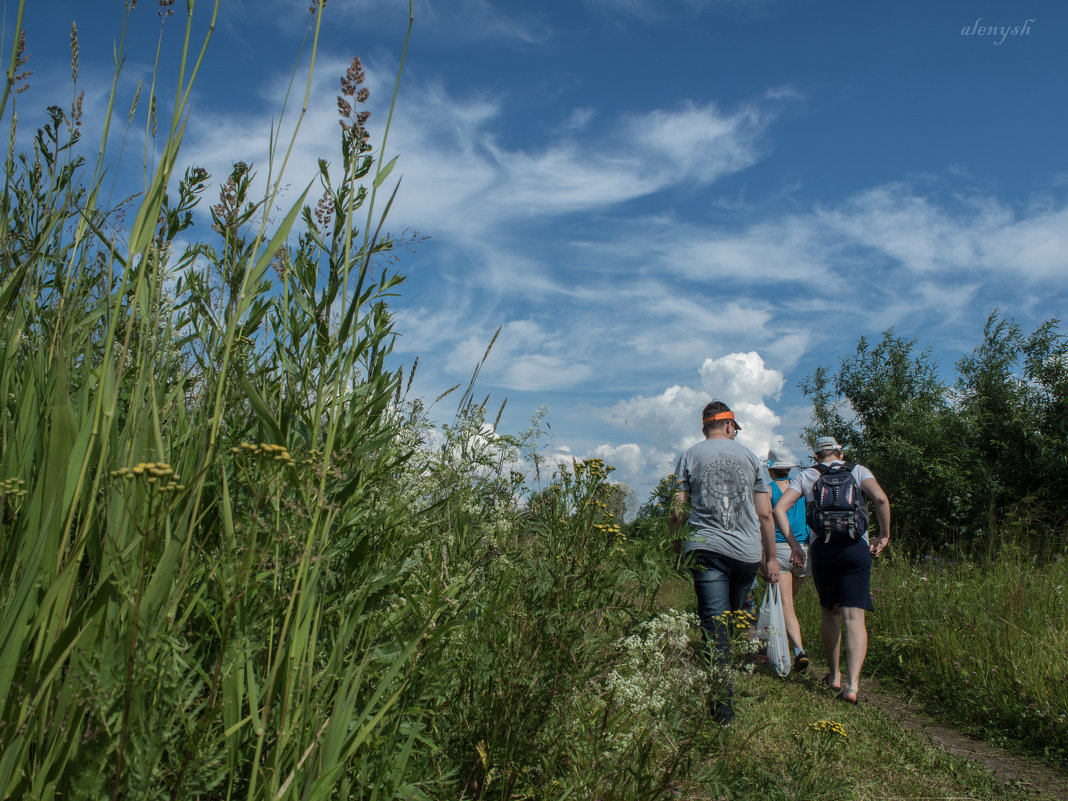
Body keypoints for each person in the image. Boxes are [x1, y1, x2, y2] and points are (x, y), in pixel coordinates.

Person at [669, 400, 779, 724]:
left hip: (705, 551)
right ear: (730, 426)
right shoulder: (750, 458)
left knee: (715, 627)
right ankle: (724, 701)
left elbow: (678, 511)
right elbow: (765, 513)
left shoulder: (688, 456)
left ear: (705, 427)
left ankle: (722, 710)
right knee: (728, 626)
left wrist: (675, 548)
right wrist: (770, 558)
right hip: (746, 554)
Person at [772, 436, 890, 704]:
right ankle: (852, 685)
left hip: (823, 549)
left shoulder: (807, 476)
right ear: (840, 452)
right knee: (854, 616)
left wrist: (794, 546)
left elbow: (780, 509)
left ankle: (834, 674)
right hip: (855, 548)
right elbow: (881, 499)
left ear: (815, 456)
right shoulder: (859, 471)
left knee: (830, 611)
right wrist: (884, 535)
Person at [765, 446, 811, 673]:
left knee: (786, 606)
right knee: (786, 605)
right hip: (804, 550)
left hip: (781, 549)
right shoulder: (800, 488)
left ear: (771, 470)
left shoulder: (768, 490)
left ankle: (798, 650)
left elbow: (763, 520)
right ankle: (771, 646)